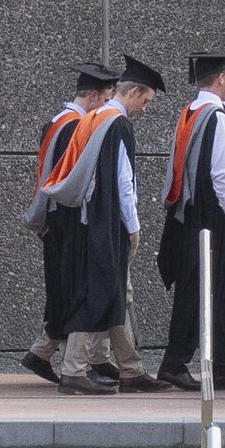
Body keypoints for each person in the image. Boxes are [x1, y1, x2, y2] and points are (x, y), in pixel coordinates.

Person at [42, 57, 163, 394]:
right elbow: (124, 183)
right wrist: (133, 225)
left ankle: (130, 369)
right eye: (146, 100)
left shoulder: (91, 119)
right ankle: (74, 371)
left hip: (81, 219)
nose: (145, 108)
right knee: (97, 294)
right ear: (135, 92)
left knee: (113, 294)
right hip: (106, 223)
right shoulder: (118, 125)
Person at [154, 54, 225, 392]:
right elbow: (221, 172)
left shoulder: (190, 112)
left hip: (188, 215)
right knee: (204, 292)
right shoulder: (218, 116)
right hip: (213, 217)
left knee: (196, 290)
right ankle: (175, 363)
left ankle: (216, 363)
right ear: (220, 78)